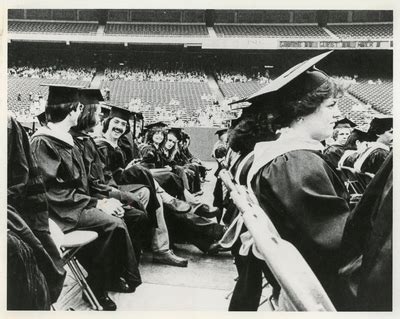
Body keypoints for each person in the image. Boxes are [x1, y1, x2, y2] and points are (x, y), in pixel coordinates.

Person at [229, 51, 351, 310]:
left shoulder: (282, 157)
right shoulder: (296, 163)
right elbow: (339, 247)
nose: (339, 114)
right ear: (301, 110)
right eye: (331, 105)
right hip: (324, 290)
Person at [30, 85, 141, 311]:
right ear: (74, 109)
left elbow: (84, 184)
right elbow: (52, 193)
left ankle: (106, 278)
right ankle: (96, 287)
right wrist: (97, 203)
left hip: (74, 206)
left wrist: (103, 201)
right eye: (79, 107)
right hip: (57, 214)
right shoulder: (43, 142)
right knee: (113, 225)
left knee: (124, 215)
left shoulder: (65, 140)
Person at [96, 106, 226, 256]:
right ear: (106, 122)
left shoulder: (119, 146)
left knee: (169, 209)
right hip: (115, 194)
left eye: (123, 124)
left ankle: (209, 239)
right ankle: (214, 231)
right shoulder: (100, 146)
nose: (119, 127)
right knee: (160, 196)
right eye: (116, 122)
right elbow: (106, 180)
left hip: (130, 188)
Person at [70, 89, 151, 262]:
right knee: (132, 212)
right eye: (99, 114)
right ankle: (122, 268)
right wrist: (104, 200)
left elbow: (94, 180)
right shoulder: (73, 143)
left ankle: (129, 264)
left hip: (95, 194)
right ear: (87, 113)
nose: (100, 118)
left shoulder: (87, 141)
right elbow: (87, 184)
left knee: (139, 207)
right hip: (78, 206)